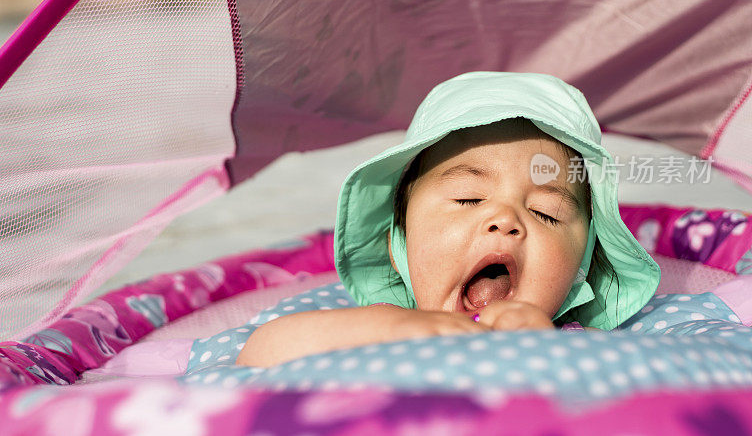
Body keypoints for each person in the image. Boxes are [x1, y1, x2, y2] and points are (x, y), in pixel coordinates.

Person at [236, 72, 661, 368]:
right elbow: (259, 354)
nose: (504, 218)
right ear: (398, 244)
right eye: (468, 198)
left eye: (544, 213)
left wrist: (543, 351)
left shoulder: (586, 350)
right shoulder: (366, 330)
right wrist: (396, 328)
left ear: (579, 270)